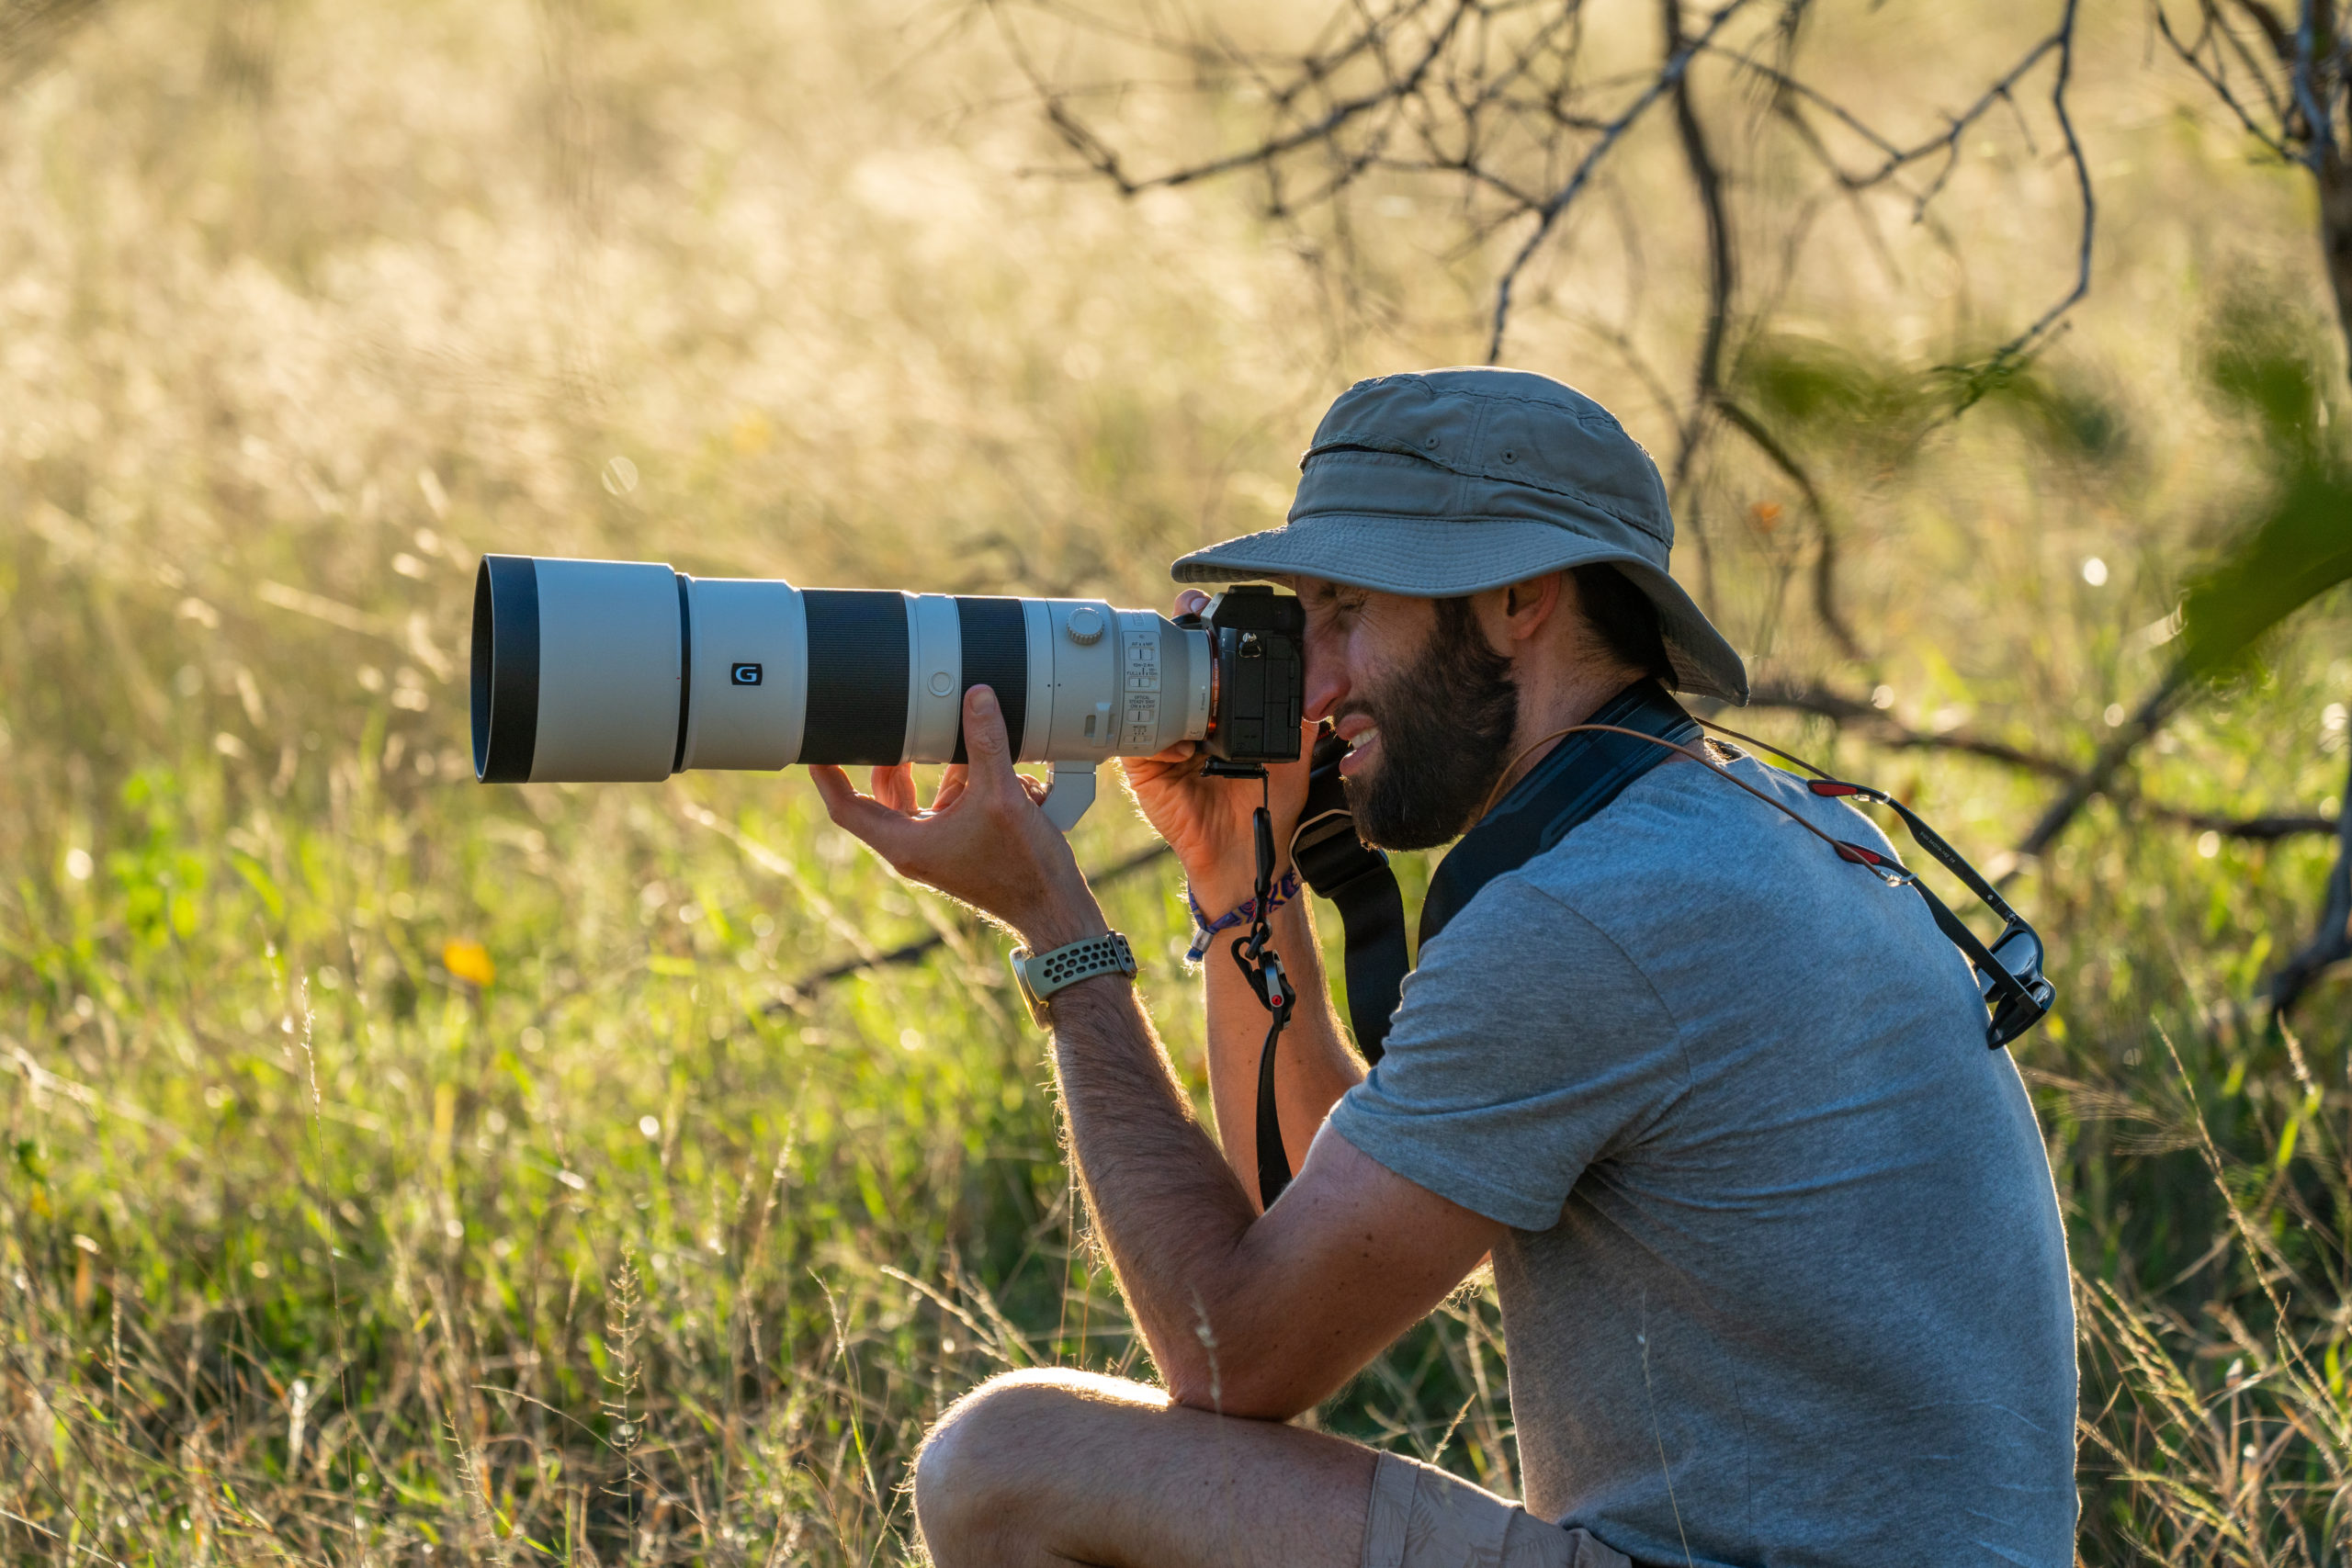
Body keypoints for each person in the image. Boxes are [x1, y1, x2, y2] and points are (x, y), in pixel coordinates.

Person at [811, 367, 2077, 1568]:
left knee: (1007, 1460)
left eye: (1350, 615)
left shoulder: (1594, 915)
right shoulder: (1757, 828)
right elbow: (1331, 1217)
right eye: (1299, 623)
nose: (1310, 684)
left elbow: (1233, 1354)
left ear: (1519, 597)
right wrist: (1240, 885)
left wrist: (1062, 941)